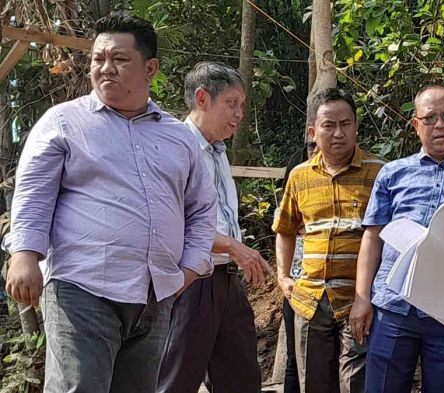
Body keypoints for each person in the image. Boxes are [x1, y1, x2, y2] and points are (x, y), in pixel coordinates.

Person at [3, 12, 217, 393]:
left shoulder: (178, 138)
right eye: (98, 59)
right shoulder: (63, 123)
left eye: (119, 59)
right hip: (81, 288)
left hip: (155, 294)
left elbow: (201, 209)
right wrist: (24, 255)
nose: (106, 68)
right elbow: (33, 192)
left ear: (150, 68)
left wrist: (189, 268)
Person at [351, 85, 444, 393]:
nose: (440, 124)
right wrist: (362, 298)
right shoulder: (393, 174)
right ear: (416, 125)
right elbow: (373, 237)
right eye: (430, 117)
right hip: (394, 308)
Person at [157, 62, 270, 393]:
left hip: (225, 281)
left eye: (242, 106)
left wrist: (234, 251)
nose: (239, 114)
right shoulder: (176, 146)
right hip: (190, 281)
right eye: (231, 103)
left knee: (242, 376)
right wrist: (234, 247)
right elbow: (175, 222)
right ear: (202, 98)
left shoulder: (218, 151)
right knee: (175, 379)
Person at [273, 88, 383, 393]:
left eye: (346, 124)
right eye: (329, 125)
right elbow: (284, 229)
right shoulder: (299, 176)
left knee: (356, 383)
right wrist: (283, 277)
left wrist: (369, 294)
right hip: (310, 300)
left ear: (356, 126)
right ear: (313, 131)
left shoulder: (379, 173)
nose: (338, 133)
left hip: (359, 299)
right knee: (314, 384)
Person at [279, 139, 320, 393]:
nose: (315, 152)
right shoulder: (295, 190)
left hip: (332, 289)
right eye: (310, 147)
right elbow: (284, 231)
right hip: (297, 289)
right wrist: (284, 278)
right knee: (297, 359)